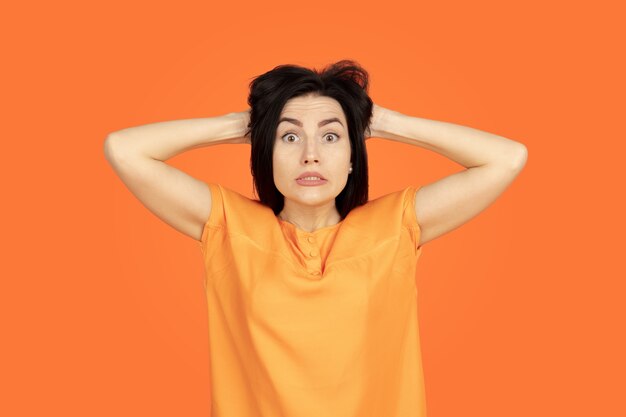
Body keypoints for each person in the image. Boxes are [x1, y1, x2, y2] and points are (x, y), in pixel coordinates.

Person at [104, 59, 527, 416]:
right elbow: (124, 149)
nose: (311, 153)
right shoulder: (229, 225)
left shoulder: (395, 225)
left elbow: (507, 158)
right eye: (289, 137)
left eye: (331, 136)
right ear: (266, 153)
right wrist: (251, 123)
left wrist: (382, 122)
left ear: (351, 157)